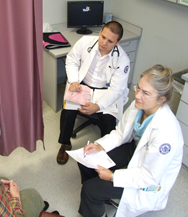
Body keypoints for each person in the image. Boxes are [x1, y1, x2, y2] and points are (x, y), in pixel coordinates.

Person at [78, 65, 184, 217]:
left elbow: (148, 176)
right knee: (86, 160)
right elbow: (120, 133)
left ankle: (96, 195)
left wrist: (113, 177)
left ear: (161, 99)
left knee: (90, 190)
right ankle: (101, 195)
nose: (138, 96)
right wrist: (99, 146)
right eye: (138, 88)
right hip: (134, 150)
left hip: (147, 179)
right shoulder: (139, 107)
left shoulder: (167, 134)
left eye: (146, 93)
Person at [57, 21, 130, 165]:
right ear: (101, 31)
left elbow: (116, 89)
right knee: (68, 111)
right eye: (103, 37)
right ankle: (65, 144)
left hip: (106, 90)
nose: (104, 43)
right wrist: (74, 80)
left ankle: (103, 152)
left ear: (118, 42)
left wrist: (98, 106)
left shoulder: (123, 60)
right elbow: (71, 60)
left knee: (108, 120)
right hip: (83, 84)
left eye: (110, 41)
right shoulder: (86, 42)